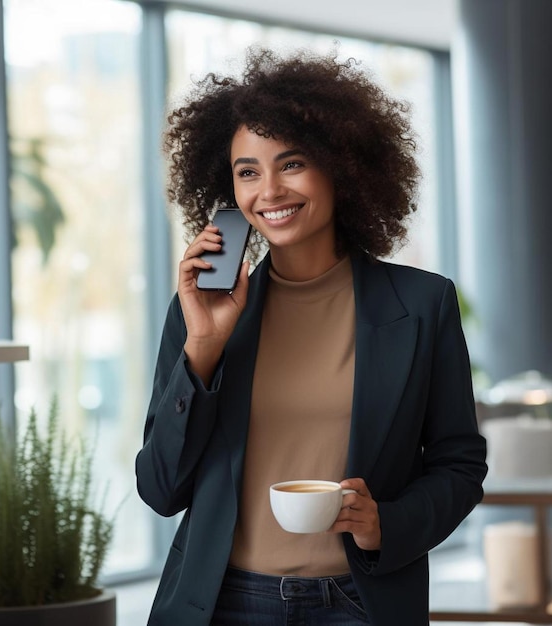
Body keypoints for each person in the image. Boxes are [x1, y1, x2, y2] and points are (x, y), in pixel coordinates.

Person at [135, 46, 487, 626]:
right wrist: (202, 348)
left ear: (341, 166)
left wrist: (387, 524)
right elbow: (160, 489)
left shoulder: (424, 304)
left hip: (359, 602)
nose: (269, 190)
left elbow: (459, 464)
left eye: (291, 163)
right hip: (224, 603)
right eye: (247, 171)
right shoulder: (202, 308)